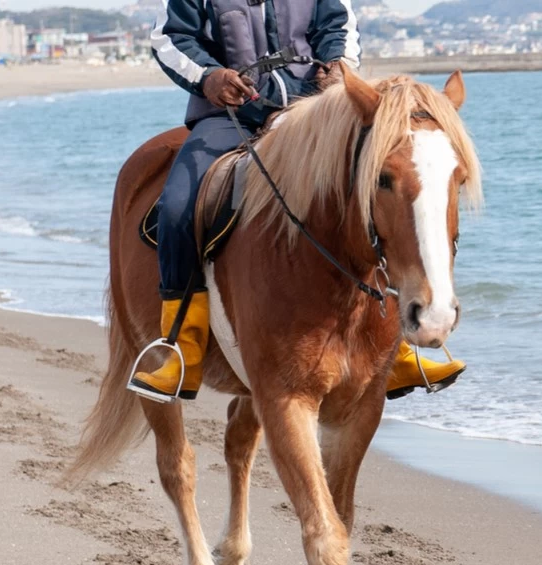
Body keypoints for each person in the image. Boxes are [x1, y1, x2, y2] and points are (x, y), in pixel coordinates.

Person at [133, 0, 464, 402]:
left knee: (374, 196)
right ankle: (179, 345)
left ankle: (395, 346)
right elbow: (169, 36)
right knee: (177, 206)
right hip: (229, 114)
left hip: (312, 107)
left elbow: (340, 24)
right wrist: (210, 77)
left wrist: (336, 65)